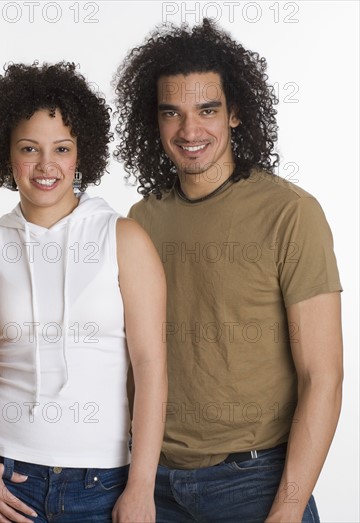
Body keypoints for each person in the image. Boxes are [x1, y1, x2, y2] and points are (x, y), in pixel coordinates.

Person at [113, 19, 343, 523]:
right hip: (154, 483)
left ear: (236, 112)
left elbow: (322, 376)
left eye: (207, 110)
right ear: (152, 120)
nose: (189, 131)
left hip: (255, 483)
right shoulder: (140, 221)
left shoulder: (290, 213)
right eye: (171, 113)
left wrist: (287, 509)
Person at [0, 62, 167, 523]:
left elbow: (150, 367)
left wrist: (143, 486)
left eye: (61, 149)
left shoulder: (124, 239)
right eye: (29, 149)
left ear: (80, 154)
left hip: (101, 483)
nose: (46, 166)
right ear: (6, 155)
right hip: (2, 474)